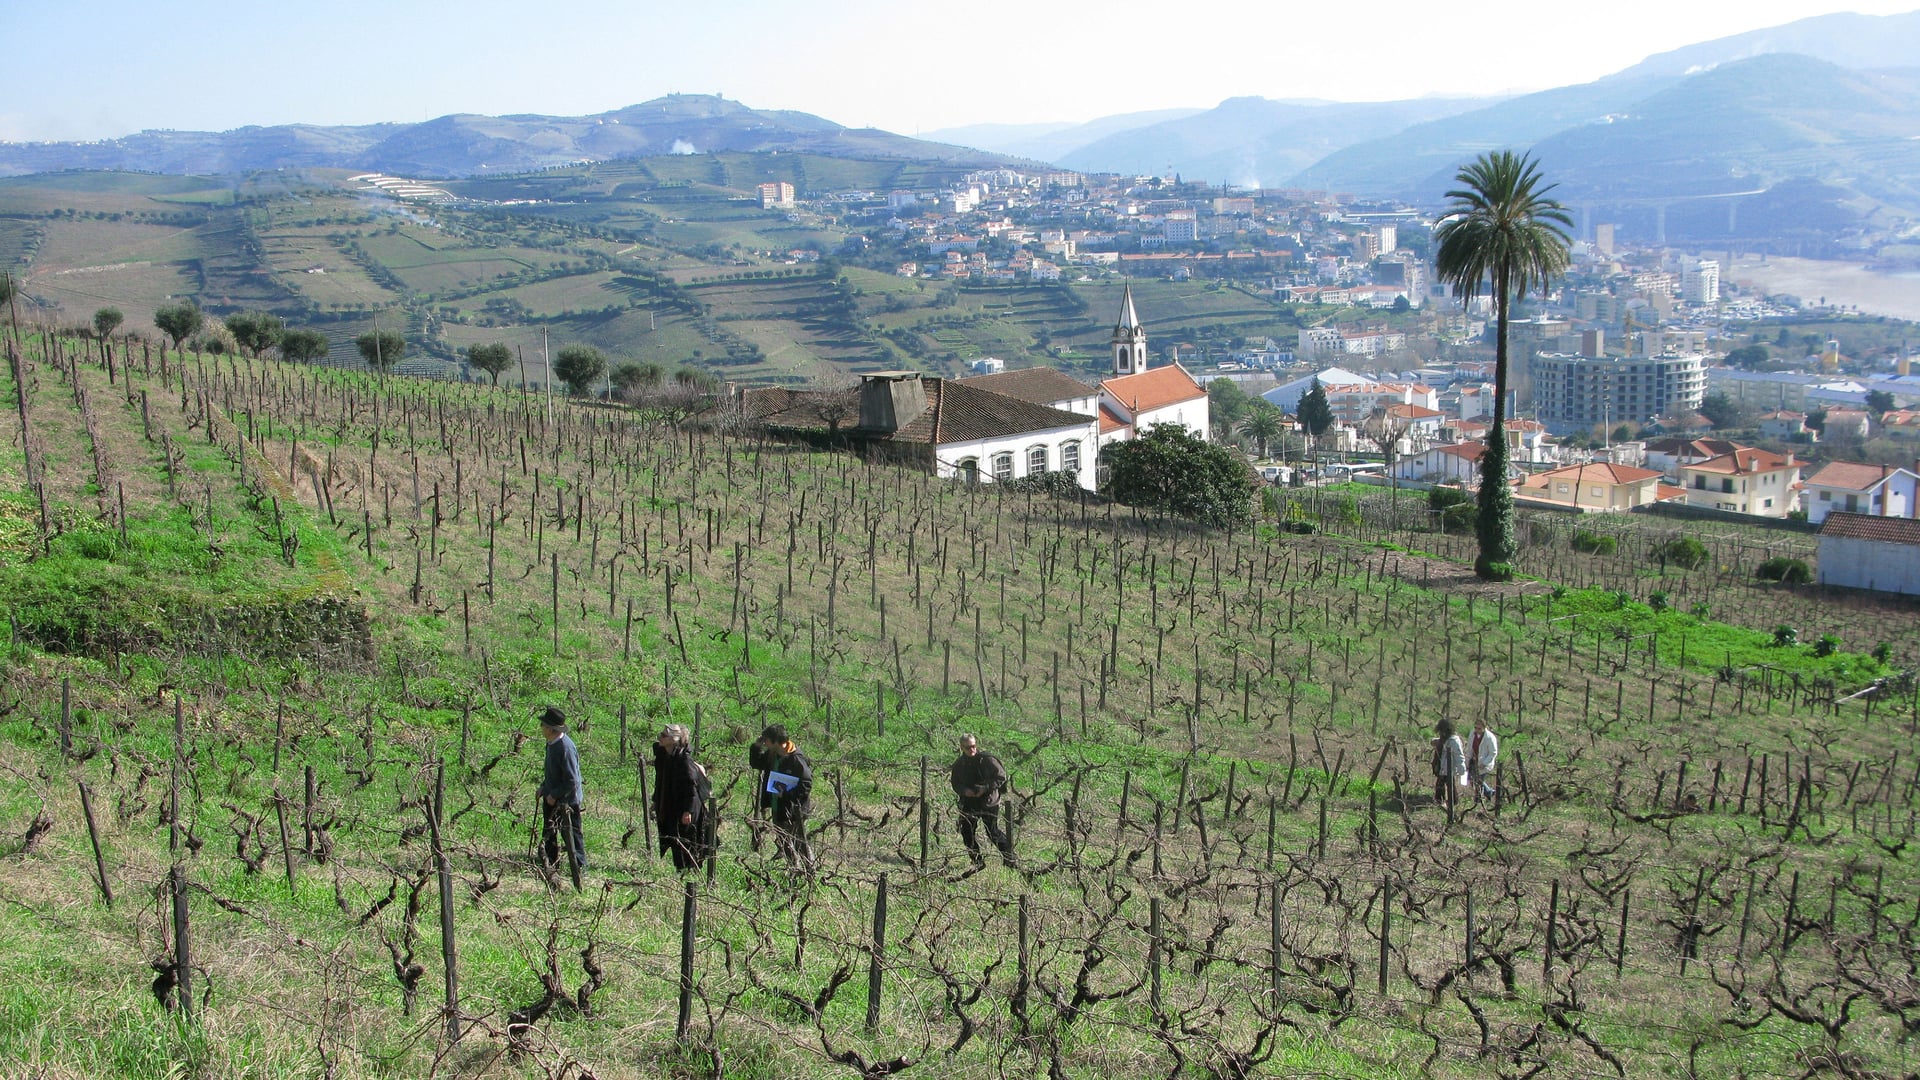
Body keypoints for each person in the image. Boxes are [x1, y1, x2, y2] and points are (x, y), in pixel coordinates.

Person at [950, 734, 1014, 868]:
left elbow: (1001, 777)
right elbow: (955, 783)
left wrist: (985, 788)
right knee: (967, 832)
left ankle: (1010, 859)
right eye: (968, 747)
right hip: (969, 802)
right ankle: (977, 862)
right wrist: (965, 791)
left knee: (992, 832)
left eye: (973, 746)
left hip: (989, 802)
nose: (972, 750)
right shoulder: (959, 764)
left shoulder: (987, 759)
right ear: (962, 748)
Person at [756, 724, 814, 870]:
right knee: (785, 843)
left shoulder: (796, 759)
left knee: (798, 843)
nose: (764, 743)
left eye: (766, 740)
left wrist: (786, 794)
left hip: (793, 811)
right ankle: (794, 870)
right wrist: (756, 747)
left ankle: (809, 871)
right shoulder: (773, 755)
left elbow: (806, 785)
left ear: (775, 741)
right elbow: (756, 763)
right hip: (778, 807)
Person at [538, 706, 587, 875]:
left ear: (551, 729)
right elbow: (552, 772)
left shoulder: (565, 748)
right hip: (552, 797)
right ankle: (550, 864)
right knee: (550, 832)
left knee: (572, 835)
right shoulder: (551, 743)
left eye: (543, 725)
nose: (541, 728)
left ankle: (580, 867)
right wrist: (544, 787)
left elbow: (572, 780)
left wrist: (554, 794)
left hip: (567, 800)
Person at [653, 723, 703, 871]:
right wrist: (656, 801)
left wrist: (688, 811)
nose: (660, 737)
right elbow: (660, 782)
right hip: (670, 805)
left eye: (664, 735)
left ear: (673, 739)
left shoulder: (684, 760)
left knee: (685, 839)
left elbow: (690, 787)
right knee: (673, 837)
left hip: (684, 807)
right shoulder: (664, 757)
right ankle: (680, 870)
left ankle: (689, 870)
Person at [1431, 717, 1467, 811]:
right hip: (1442, 766)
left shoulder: (1454, 741)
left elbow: (1459, 756)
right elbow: (1440, 742)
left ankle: (1451, 801)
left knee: (1449, 784)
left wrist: (1462, 770)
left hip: (1449, 767)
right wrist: (1434, 741)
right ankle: (1441, 800)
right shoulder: (1444, 738)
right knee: (1441, 783)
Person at [1468, 718, 1499, 803]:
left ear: (1484, 728)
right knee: (1473, 779)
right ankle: (1489, 792)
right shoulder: (1472, 734)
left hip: (1484, 763)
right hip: (1473, 761)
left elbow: (1493, 752)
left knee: (1479, 781)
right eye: (1476, 728)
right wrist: (1468, 759)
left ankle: (1478, 800)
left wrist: (1485, 763)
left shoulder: (1490, 737)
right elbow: (1470, 747)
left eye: (1479, 728)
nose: (1477, 730)